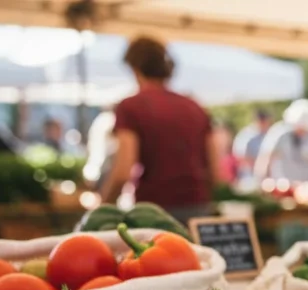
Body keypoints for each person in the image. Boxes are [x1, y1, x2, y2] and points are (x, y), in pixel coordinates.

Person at [98, 37, 214, 224]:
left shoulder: (130, 107)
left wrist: (101, 211)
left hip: (153, 212)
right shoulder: (195, 107)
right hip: (198, 206)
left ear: (135, 68)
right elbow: (216, 170)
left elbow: (122, 172)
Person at [255, 99, 308, 183]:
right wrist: (262, 181)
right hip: (282, 185)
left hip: (306, 186)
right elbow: (265, 158)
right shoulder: (279, 133)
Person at [231, 109, 273, 179]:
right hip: (249, 176)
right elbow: (240, 157)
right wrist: (259, 164)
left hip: (266, 174)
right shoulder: (246, 136)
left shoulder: (267, 134)